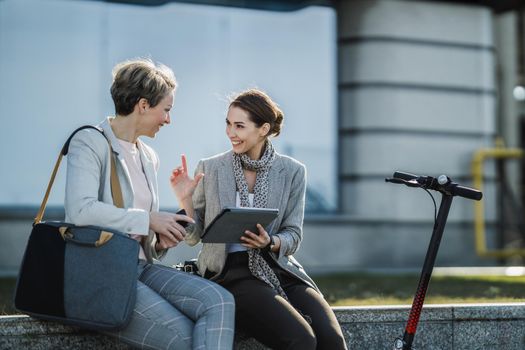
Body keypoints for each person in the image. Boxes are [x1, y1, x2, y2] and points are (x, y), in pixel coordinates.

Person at [65, 58, 235, 350]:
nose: (168, 120)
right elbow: (81, 211)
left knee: (219, 300)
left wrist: (158, 240)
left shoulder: (148, 156)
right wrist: (149, 219)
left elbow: (140, 227)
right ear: (143, 105)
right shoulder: (89, 142)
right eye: (166, 110)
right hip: (103, 275)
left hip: (141, 267)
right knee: (184, 339)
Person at [170, 88, 347, 349]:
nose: (231, 133)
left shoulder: (292, 171)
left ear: (263, 129)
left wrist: (271, 241)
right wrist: (185, 201)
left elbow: (293, 234)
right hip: (231, 272)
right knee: (301, 340)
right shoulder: (211, 168)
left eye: (239, 126)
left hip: (278, 266)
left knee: (332, 339)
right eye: (228, 124)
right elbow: (194, 236)